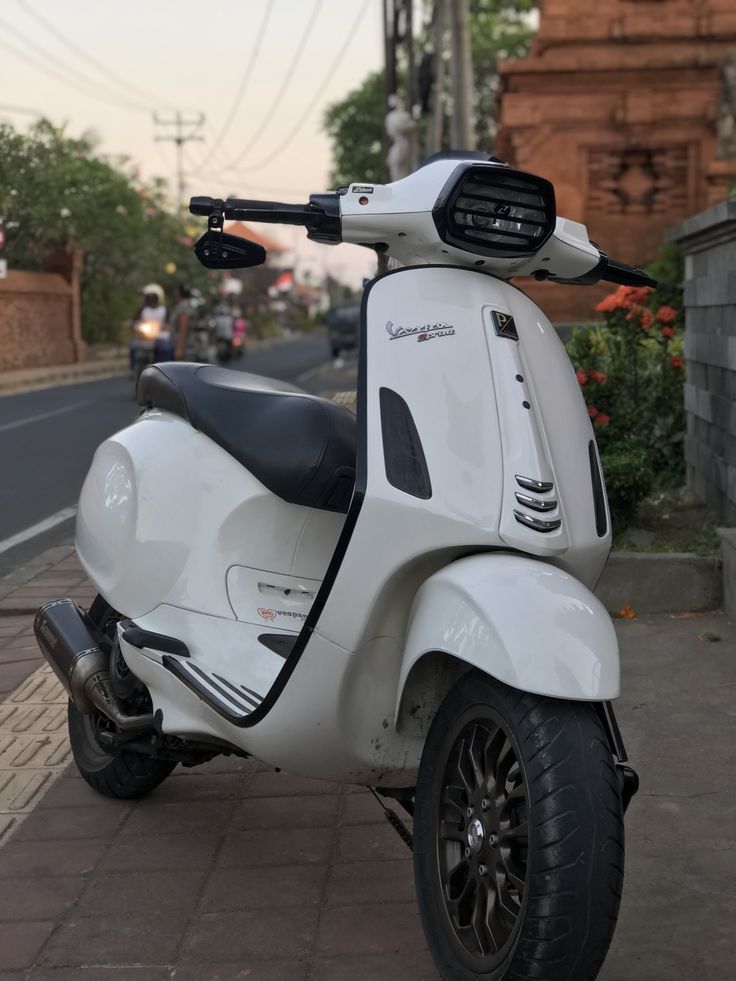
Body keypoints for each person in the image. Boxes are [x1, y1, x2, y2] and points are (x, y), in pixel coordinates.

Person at [129, 283, 169, 370]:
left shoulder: (164, 310)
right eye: (148, 298)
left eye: (152, 298)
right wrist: (136, 326)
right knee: (133, 346)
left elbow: (169, 324)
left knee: (166, 348)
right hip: (144, 337)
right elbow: (134, 321)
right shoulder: (142, 310)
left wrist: (164, 327)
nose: (150, 300)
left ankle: (165, 369)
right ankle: (133, 368)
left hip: (159, 336)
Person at [171, 285, 193, 360]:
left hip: (184, 346)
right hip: (180, 344)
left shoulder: (183, 306)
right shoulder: (183, 304)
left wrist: (179, 349)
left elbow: (183, 328)